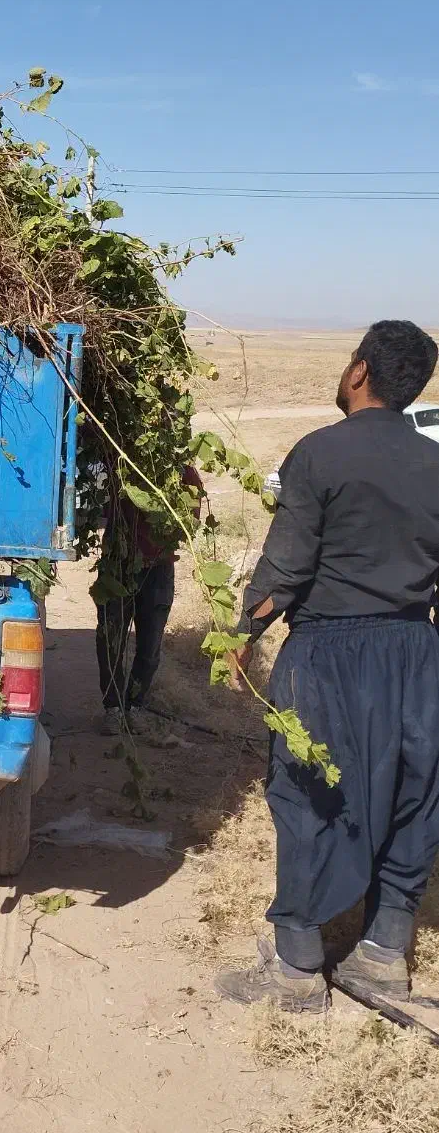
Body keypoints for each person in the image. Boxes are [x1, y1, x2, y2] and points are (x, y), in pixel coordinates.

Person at [217, 320, 439, 1013]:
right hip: (413, 650)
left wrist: (239, 637)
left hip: (330, 652)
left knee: (309, 791)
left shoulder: (318, 454)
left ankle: (296, 967)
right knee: (410, 792)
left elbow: (284, 568)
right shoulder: (437, 464)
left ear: (358, 372)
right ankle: (381, 955)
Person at [96, 464, 203, 732]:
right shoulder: (120, 464)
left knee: (150, 645)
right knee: (111, 640)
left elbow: (190, 522)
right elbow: (100, 509)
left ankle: (135, 706)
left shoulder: (184, 475)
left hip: (158, 569)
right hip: (117, 566)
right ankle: (113, 708)